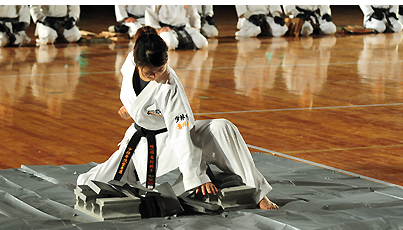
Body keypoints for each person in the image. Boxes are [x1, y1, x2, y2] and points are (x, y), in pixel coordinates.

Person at [76, 26, 278, 210]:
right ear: (136, 62)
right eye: (149, 73)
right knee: (91, 183)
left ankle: (258, 192)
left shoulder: (170, 87)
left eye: (161, 69)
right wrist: (132, 107)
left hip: (170, 141)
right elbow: (135, 93)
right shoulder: (130, 61)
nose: (156, 75)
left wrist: (197, 176)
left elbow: (181, 133)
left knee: (222, 128)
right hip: (139, 142)